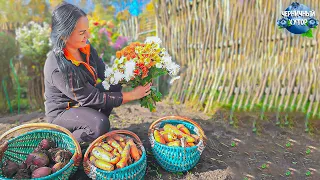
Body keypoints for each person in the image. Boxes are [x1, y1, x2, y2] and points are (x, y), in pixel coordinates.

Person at [44, 2, 151, 143]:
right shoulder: (57, 66)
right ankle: (63, 141)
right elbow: (91, 98)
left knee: (114, 85)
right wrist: (132, 95)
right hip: (63, 114)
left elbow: (107, 74)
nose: (87, 35)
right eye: (82, 33)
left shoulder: (85, 48)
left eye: (86, 30)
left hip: (82, 104)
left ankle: (96, 129)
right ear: (64, 35)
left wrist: (133, 73)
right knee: (99, 124)